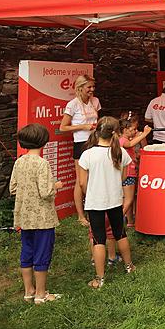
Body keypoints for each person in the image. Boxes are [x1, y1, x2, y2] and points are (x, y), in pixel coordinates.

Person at [79, 117, 134, 288]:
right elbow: (124, 177)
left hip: (95, 202)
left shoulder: (87, 154)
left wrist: (91, 193)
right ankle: (129, 266)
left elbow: (82, 183)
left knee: (98, 239)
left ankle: (100, 278)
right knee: (120, 233)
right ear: (115, 133)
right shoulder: (120, 152)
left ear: (97, 132)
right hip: (115, 199)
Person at [10, 123, 62, 304]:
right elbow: (46, 192)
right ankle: (41, 294)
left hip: (24, 216)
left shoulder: (19, 162)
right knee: (42, 253)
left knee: (27, 252)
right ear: (44, 141)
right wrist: (56, 186)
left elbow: (13, 188)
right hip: (42, 218)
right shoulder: (42, 164)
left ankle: (28, 291)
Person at [59, 74, 100, 229]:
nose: (92, 90)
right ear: (80, 87)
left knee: (94, 177)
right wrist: (82, 127)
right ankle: (81, 215)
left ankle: (93, 209)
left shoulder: (95, 101)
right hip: (81, 142)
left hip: (95, 141)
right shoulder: (73, 104)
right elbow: (63, 127)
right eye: (89, 87)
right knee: (81, 180)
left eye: (93, 87)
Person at [118, 114, 151, 229]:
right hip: (128, 174)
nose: (135, 131)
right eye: (132, 130)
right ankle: (115, 220)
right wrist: (145, 134)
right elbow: (130, 144)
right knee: (129, 199)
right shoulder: (123, 140)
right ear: (125, 130)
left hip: (126, 173)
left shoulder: (120, 140)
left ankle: (129, 221)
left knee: (124, 198)